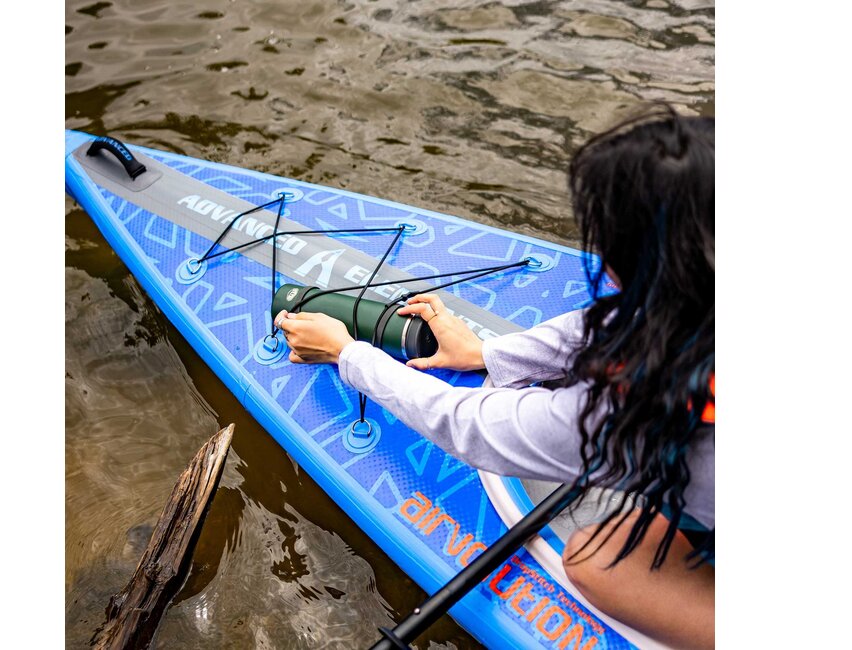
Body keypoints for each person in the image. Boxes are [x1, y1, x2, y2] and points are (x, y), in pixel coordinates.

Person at [275, 106, 714, 650]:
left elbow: (468, 427)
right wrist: (491, 353)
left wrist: (346, 352)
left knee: (597, 557)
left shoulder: (623, 411)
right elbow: (619, 321)